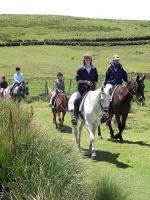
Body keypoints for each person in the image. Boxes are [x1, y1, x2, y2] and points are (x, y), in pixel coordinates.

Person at [71, 53, 99, 125]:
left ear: (91, 60)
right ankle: (75, 116)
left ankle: (101, 116)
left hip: (92, 89)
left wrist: (95, 89)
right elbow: (78, 80)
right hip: (82, 89)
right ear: (84, 60)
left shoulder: (94, 69)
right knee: (77, 100)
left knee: (100, 100)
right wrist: (86, 82)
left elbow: (96, 80)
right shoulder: (80, 69)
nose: (87, 59)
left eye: (89, 58)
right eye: (86, 58)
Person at [102, 54, 129, 122]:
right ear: (113, 60)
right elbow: (106, 76)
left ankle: (125, 107)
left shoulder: (121, 67)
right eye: (115, 60)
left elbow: (125, 76)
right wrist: (105, 85)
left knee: (125, 93)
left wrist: (128, 81)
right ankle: (105, 110)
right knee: (105, 92)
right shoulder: (109, 67)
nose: (116, 61)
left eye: (117, 60)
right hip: (110, 83)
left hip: (119, 84)